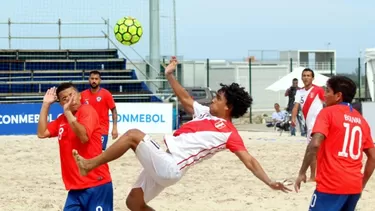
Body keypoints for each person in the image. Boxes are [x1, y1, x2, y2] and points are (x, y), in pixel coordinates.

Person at [72, 57, 292, 211]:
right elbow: (186, 99)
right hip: (164, 162)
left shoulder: (229, 133)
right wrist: (169, 75)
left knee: (133, 135)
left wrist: (269, 181)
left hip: (171, 166)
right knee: (133, 203)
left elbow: (250, 161)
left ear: (229, 107)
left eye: (218, 98)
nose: (213, 99)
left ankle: (90, 164)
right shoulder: (205, 113)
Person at [294, 75, 375, 211]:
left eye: (327, 91)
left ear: (338, 96)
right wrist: (361, 184)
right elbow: (373, 157)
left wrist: (302, 172)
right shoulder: (361, 120)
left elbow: (314, 145)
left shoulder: (327, 113)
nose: (324, 95)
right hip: (354, 187)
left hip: (331, 185)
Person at [37, 83, 113, 211]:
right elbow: (41, 133)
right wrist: (45, 104)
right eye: (64, 99)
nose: (69, 100)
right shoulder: (62, 120)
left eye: (71, 95)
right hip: (75, 188)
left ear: (79, 96)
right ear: (60, 103)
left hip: (97, 184)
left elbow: (83, 137)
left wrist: (67, 113)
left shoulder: (87, 110)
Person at [291, 68, 324, 181]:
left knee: (312, 149)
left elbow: (328, 103)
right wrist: (293, 118)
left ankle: (313, 176)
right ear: (302, 77)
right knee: (314, 150)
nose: (306, 77)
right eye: (304, 75)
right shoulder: (299, 92)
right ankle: (314, 175)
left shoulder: (318, 90)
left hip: (318, 124)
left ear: (312, 78)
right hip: (308, 124)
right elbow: (296, 106)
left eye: (308, 75)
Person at [81, 70, 118, 150]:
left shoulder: (106, 94)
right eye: (92, 78)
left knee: (99, 152)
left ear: (100, 80)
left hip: (102, 130)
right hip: (87, 129)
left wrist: (114, 127)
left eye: (96, 79)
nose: (94, 81)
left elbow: (114, 111)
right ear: (89, 79)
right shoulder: (83, 95)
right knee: (87, 152)